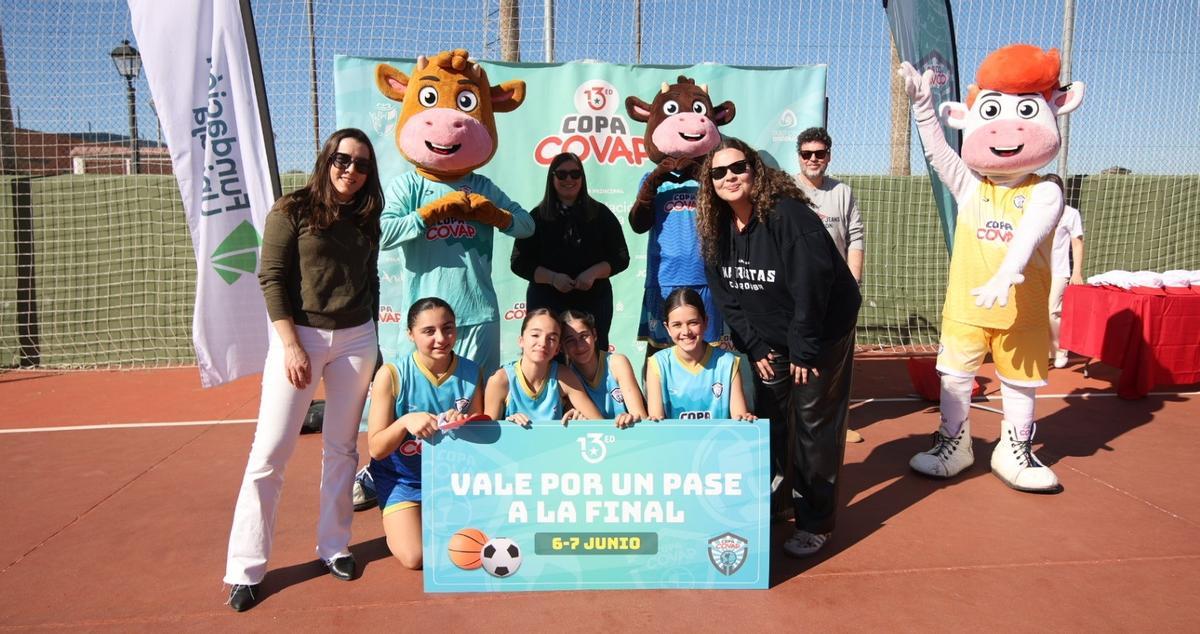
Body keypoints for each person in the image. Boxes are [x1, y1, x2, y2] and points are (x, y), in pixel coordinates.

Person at [224, 128, 384, 612]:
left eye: (360, 165)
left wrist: (372, 342)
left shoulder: (367, 216)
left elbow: (370, 278)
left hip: (357, 337)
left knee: (341, 448)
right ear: (326, 159)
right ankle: (245, 568)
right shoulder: (290, 209)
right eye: (342, 159)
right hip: (301, 337)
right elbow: (270, 277)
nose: (350, 171)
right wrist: (291, 344)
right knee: (270, 453)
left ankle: (334, 546)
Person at [697, 137, 861, 558]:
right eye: (719, 172)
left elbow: (813, 286)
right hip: (770, 339)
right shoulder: (717, 227)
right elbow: (725, 295)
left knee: (812, 427)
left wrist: (805, 350)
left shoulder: (787, 215)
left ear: (756, 170)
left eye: (738, 168)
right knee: (771, 420)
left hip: (819, 332)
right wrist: (753, 347)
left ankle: (816, 522)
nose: (729, 177)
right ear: (710, 182)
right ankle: (780, 500)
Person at [366, 297, 483, 570]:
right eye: (428, 331)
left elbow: (480, 439)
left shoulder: (471, 371)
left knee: (482, 541)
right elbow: (376, 448)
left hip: (452, 479)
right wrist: (404, 421)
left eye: (448, 328)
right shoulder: (392, 374)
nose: (441, 338)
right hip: (403, 479)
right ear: (410, 334)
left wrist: (464, 424)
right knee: (415, 558)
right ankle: (391, 507)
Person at [511, 153, 630, 350]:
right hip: (547, 302)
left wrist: (592, 274)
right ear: (552, 178)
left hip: (594, 302)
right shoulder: (537, 217)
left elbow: (621, 257)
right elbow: (518, 262)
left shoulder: (601, 214)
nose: (569, 179)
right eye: (562, 174)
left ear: (582, 178)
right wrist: (552, 278)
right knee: (549, 359)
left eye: (575, 174)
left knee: (592, 359)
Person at [794, 126, 866, 443]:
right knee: (801, 359)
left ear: (828, 156)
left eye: (819, 154)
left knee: (836, 364)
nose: (813, 159)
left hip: (836, 295)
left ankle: (836, 424)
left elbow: (856, 239)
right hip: (798, 293)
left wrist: (852, 285)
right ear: (799, 157)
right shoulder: (787, 190)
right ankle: (798, 424)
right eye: (807, 154)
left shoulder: (843, 193)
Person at [645, 288, 755, 421]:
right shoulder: (657, 363)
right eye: (677, 325)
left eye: (693, 323)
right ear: (667, 328)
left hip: (719, 441)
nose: (686, 331)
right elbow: (656, 421)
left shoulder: (727, 363)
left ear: (705, 322)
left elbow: (739, 417)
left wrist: (745, 420)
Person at [484, 308, 602, 425]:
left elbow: (599, 423)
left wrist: (580, 420)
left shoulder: (564, 377)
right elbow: (486, 436)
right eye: (535, 335)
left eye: (551, 338)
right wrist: (507, 426)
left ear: (557, 349)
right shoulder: (500, 380)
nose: (543, 343)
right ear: (521, 340)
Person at [560, 308, 648, 428]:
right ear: (561, 347)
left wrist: (630, 418)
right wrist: (577, 422)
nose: (579, 346)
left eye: (584, 336)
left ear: (594, 335)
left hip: (627, 435)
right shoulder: (565, 378)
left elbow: (640, 417)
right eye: (570, 341)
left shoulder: (617, 363)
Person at [1043, 176, 1085, 369]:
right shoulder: (1035, 211)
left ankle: (1060, 351)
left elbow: (1077, 242)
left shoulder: (1070, 214)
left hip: (1059, 270)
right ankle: (1039, 350)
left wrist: (1076, 272)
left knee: (1052, 311)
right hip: (1036, 271)